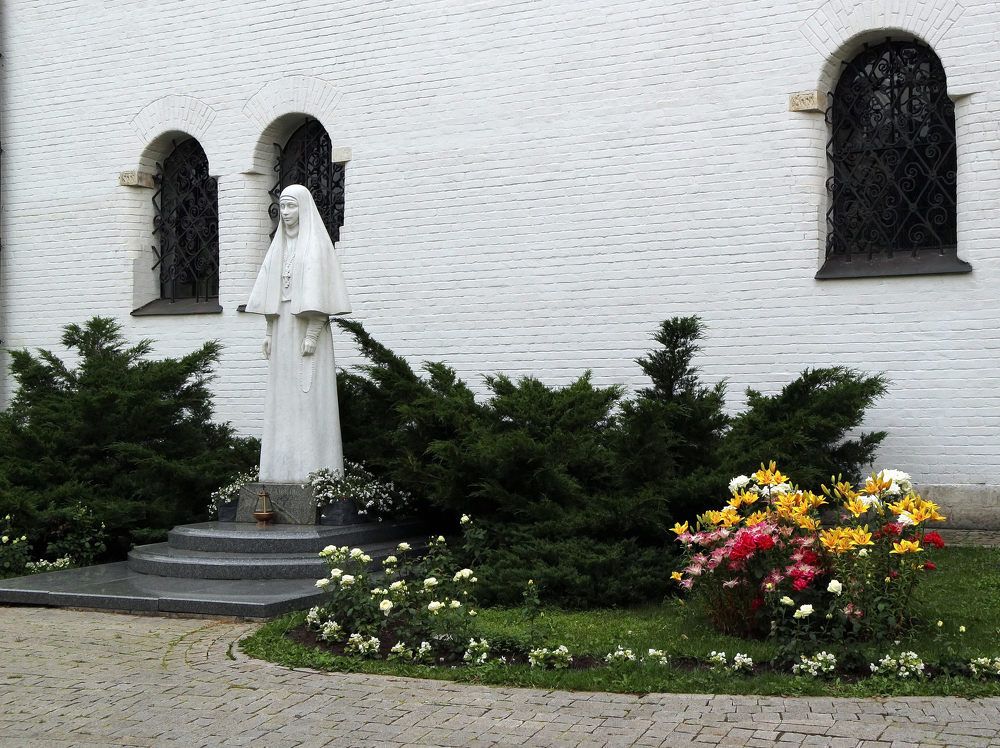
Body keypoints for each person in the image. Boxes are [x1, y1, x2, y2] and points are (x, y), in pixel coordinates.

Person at [245, 184, 351, 483]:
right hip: (282, 330)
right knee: (282, 399)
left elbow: (321, 295)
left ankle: (314, 472)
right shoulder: (278, 246)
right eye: (282, 206)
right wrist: (268, 331)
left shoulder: (316, 245)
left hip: (307, 330)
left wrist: (313, 333)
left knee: (307, 398)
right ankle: (279, 472)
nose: (286, 213)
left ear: (303, 208)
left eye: (292, 206)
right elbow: (270, 292)